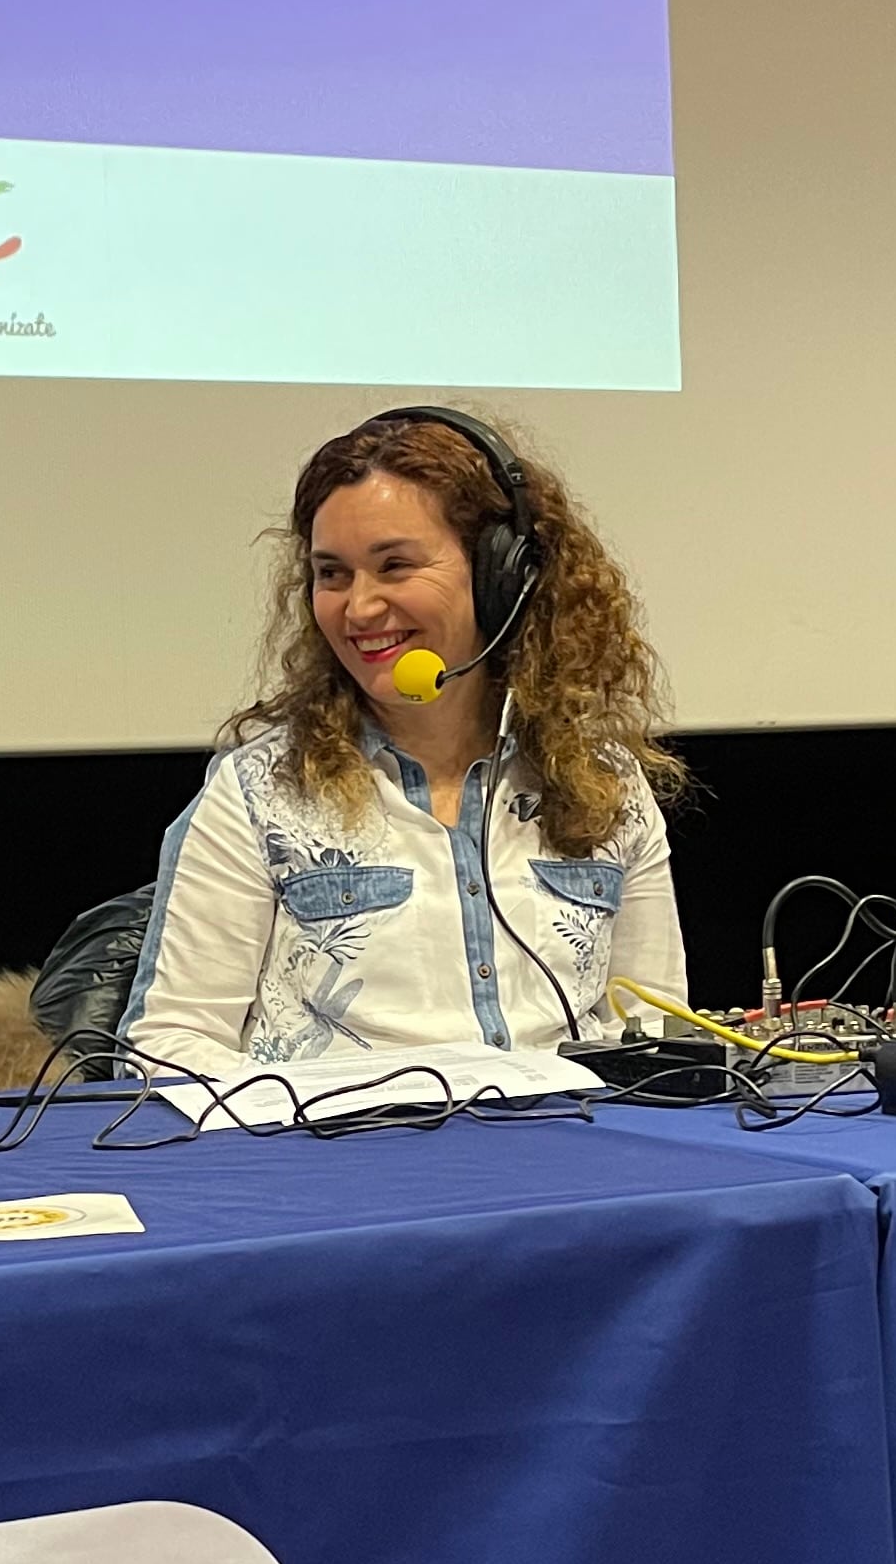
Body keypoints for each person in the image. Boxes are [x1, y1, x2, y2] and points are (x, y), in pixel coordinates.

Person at [121, 406, 686, 1068]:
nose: (358, 608)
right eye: (332, 574)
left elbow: (657, 1043)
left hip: (573, 1155)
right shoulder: (257, 794)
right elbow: (168, 1049)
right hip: (335, 1161)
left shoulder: (606, 786)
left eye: (394, 567)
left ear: (500, 576)